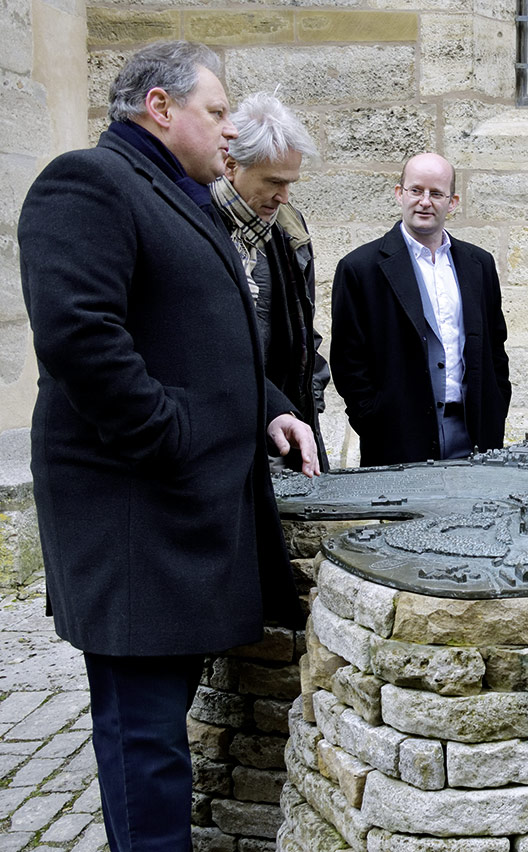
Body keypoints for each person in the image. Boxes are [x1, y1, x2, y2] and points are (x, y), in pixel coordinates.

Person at [18, 41, 316, 852]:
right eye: (217, 112)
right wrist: (176, 437)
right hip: (134, 521)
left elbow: (200, 343)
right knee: (143, 746)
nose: (229, 131)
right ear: (160, 106)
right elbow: (82, 340)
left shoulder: (180, 195)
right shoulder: (89, 181)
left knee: (159, 740)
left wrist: (270, 409)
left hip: (177, 519)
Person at [330, 152, 511, 466]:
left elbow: (495, 347)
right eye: (416, 190)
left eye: (436, 193)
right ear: (400, 193)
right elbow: (348, 362)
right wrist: (373, 419)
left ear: (452, 202)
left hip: (474, 436)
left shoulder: (478, 264)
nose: (425, 202)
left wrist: (496, 406)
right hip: (396, 437)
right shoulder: (359, 268)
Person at [212, 91, 331, 472]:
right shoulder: (194, 224)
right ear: (231, 165)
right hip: (217, 437)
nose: (283, 196)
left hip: (278, 427)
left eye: (290, 183)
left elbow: (302, 336)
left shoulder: (287, 230)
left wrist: (302, 406)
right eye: (274, 182)